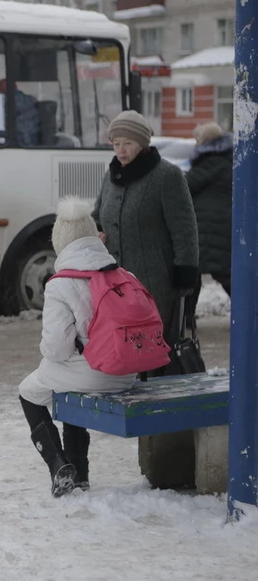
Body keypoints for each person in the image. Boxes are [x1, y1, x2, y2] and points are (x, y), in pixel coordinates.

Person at [92, 109, 199, 489]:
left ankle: (172, 457)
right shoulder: (111, 176)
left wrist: (186, 275)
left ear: (143, 143)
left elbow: (185, 229)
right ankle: (155, 453)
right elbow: (98, 218)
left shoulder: (167, 177)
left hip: (158, 289)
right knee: (132, 363)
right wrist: (98, 235)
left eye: (127, 143)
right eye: (116, 144)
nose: (120, 150)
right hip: (119, 291)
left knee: (162, 365)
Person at [18, 196, 136, 497]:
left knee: (30, 391)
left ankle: (59, 466)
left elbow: (57, 349)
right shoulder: (122, 274)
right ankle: (79, 474)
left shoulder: (61, 284)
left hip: (93, 374)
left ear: (61, 242)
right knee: (67, 382)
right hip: (127, 372)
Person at [185, 122, 233, 308]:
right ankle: (248, 311)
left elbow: (186, 185)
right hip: (221, 224)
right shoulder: (228, 160)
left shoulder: (210, 162)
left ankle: (187, 319)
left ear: (204, 142)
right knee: (224, 273)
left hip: (208, 227)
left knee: (192, 273)